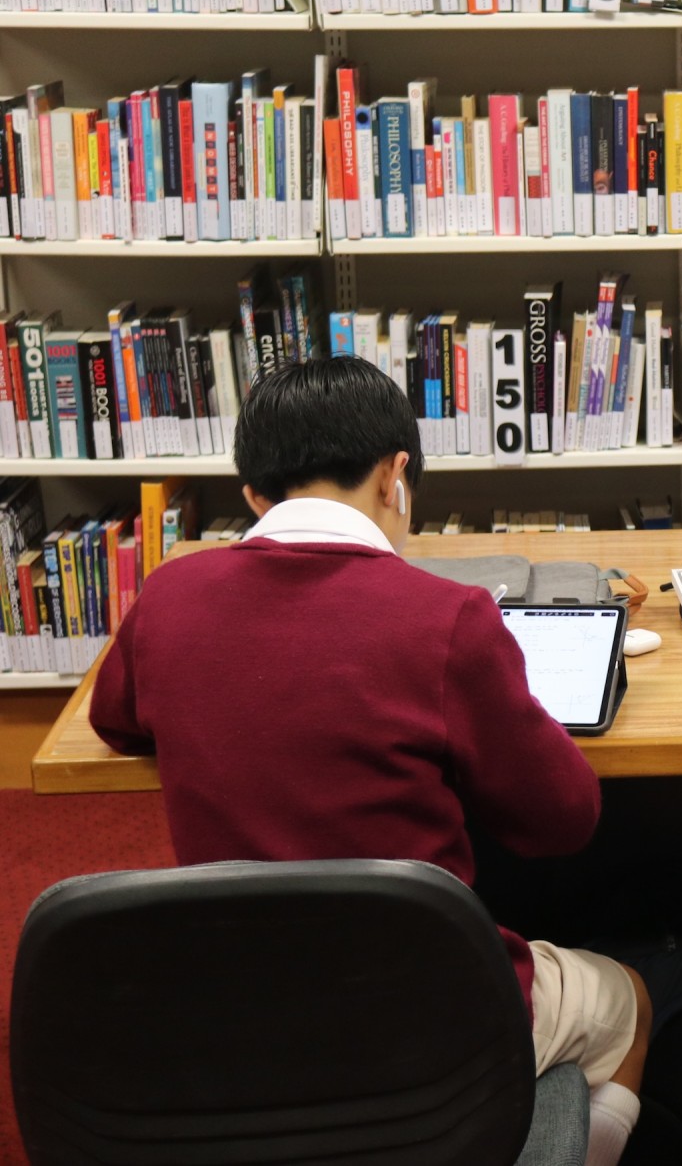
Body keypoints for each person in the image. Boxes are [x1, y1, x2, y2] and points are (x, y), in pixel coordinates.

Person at [90, 358, 650, 1166]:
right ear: (396, 477)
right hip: (432, 1019)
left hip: (233, 1014)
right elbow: (564, 819)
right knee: (627, 995)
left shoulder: (170, 596)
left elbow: (114, 717)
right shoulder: (449, 615)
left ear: (253, 496)